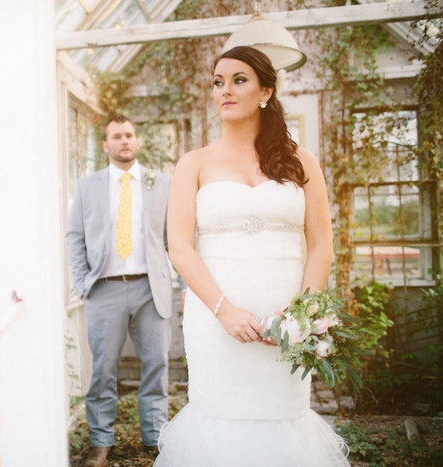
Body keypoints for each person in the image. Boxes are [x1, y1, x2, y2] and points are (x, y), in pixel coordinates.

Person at [155, 46, 350, 466]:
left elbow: (321, 245)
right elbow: (180, 247)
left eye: (238, 80)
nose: (224, 90)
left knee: (283, 422)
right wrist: (224, 311)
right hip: (216, 322)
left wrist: (300, 316)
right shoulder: (194, 163)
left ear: (266, 91)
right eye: (218, 82)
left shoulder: (301, 161)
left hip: (285, 327)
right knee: (220, 422)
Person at [66, 113, 179, 467]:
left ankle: (155, 438)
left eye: (129, 134)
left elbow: (175, 239)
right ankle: (100, 443)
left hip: (151, 288)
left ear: (138, 141)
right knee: (102, 370)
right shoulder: (87, 187)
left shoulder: (161, 183)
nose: (124, 141)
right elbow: (74, 236)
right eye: (116, 136)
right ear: (105, 145)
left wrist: (185, 283)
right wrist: (83, 280)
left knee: (156, 366)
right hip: (105, 290)